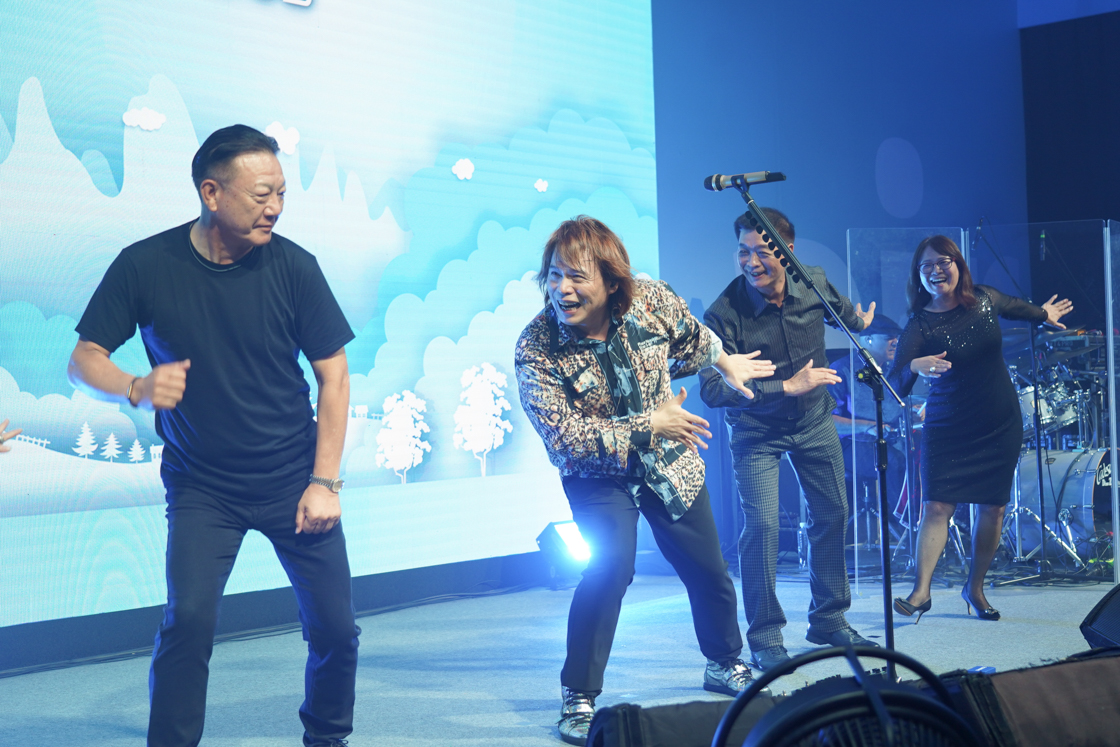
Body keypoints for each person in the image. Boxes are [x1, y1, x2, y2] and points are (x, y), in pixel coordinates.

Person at [67, 125, 359, 747]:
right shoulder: (146, 265)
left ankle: (327, 737)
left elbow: (333, 377)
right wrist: (134, 386)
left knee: (336, 628)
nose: (275, 207)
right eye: (261, 195)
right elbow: (84, 357)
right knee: (189, 621)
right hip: (203, 485)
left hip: (293, 476)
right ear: (211, 193)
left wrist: (325, 482)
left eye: (281, 193)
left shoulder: (295, 267)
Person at [515, 216, 776, 746]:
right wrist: (649, 423)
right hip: (597, 474)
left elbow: (695, 337)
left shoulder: (652, 300)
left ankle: (724, 662)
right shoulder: (536, 347)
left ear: (611, 281)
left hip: (668, 459)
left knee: (708, 569)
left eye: (577, 277)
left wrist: (726, 363)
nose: (562, 289)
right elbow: (566, 439)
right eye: (555, 276)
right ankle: (578, 694)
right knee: (609, 570)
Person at [699, 207, 878, 674]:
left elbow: (840, 313)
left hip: (814, 420)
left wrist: (859, 322)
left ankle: (829, 619)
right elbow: (712, 390)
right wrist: (785, 386)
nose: (751, 262)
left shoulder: (811, 280)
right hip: (756, 430)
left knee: (833, 512)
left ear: (787, 251)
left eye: (762, 251)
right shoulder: (724, 313)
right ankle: (764, 637)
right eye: (743, 252)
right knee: (762, 527)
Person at [889, 235, 1071, 623]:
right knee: (937, 505)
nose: (936, 271)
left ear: (959, 265)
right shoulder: (919, 324)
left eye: (944, 262)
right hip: (947, 426)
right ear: (918, 276)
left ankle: (974, 589)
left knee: (994, 507)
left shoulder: (985, 299)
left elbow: (1017, 307)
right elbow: (894, 381)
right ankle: (920, 593)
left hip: (998, 422)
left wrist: (1044, 313)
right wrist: (915, 366)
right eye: (926, 266)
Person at [828, 314, 911, 530]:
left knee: (921, 458)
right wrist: (870, 427)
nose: (895, 342)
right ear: (869, 339)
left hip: (891, 442)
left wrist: (915, 414)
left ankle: (929, 523)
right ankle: (904, 525)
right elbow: (828, 421)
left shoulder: (893, 371)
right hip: (852, 444)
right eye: (889, 337)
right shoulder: (842, 370)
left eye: (897, 337)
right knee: (895, 461)